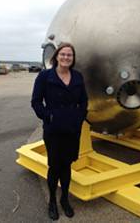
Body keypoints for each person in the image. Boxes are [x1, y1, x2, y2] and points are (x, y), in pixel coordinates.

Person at [31, 42, 88, 220]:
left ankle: (64, 199)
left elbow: (84, 101)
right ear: (56, 56)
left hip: (72, 128)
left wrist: (79, 118)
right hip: (54, 129)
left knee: (67, 165)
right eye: (63, 54)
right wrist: (48, 117)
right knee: (54, 166)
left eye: (69, 55)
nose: (66, 57)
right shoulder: (45, 76)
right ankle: (52, 202)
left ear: (73, 58)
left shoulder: (78, 77)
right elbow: (36, 102)